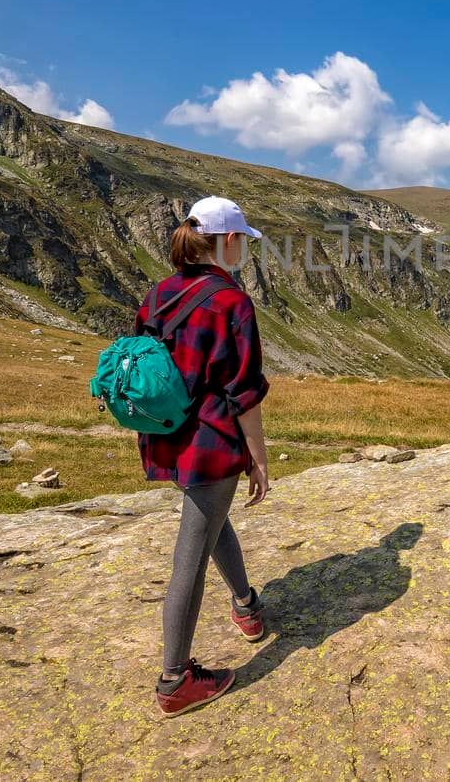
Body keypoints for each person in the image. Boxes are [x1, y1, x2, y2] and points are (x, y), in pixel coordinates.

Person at [137, 195, 272, 718]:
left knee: (209, 519)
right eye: (244, 241)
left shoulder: (160, 292)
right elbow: (245, 391)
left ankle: (247, 605)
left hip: (167, 436)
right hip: (210, 442)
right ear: (230, 240)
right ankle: (175, 680)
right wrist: (258, 457)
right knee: (190, 556)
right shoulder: (233, 303)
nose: (245, 251)